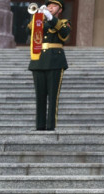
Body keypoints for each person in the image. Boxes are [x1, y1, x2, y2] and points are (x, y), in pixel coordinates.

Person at [28, 0, 71, 131]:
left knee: (53, 97)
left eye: (54, 6)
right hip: (39, 60)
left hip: (55, 61)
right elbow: (29, 30)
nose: (50, 8)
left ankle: (51, 126)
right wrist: (38, 16)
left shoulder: (63, 22)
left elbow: (64, 34)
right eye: (49, 6)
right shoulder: (40, 22)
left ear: (60, 10)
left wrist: (51, 17)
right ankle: (40, 126)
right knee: (39, 96)